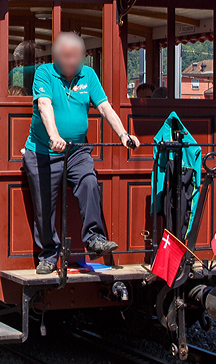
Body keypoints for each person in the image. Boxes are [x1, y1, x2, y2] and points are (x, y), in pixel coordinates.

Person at [23, 32, 140, 274]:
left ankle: (94, 238)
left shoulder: (88, 75)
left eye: (75, 57)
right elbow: (44, 105)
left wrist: (123, 135)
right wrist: (54, 136)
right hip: (43, 151)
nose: (71, 62)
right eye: (66, 57)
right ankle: (48, 255)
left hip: (76, 150)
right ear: (56, 57)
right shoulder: (44, 73)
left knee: (88, 181)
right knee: (44, 203)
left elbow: (105, 107)